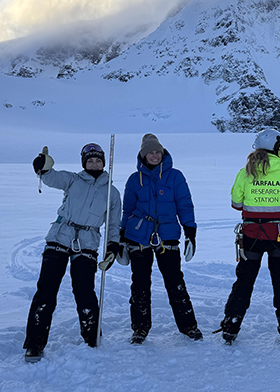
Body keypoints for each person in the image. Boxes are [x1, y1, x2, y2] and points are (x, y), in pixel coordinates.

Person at [23, 143, 122, 363]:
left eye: (98, 160)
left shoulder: (112, 193)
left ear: (104, 163)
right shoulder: (73, 180)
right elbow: (52, 178)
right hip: (60, 236)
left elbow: (113, 224)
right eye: (90, 160)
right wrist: (43, 168)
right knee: (46, 290)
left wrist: (112, 247)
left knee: (84, 291)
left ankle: (92, 338)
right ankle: (34, 344)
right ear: (84, 163)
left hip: (87, 242)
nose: (94, 164)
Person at [220, 128, 280, 346]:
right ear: (279, 149)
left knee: (244, 281)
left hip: (251, 236)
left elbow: (236, 204)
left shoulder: (244, 173)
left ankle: (230, 326)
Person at [119, 133, 202, 344]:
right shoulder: (134, 179)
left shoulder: (175, 176)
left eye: (158, 152)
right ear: (143, 155)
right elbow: (127, 209)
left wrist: (190, 232)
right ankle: (140, 328)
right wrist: (121, 236)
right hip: (138, 236)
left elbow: (185, 205)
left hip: (167, 235)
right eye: (150, 152)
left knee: (175, 281)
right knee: (140, 283)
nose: (155, 155)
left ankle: (189, 326)